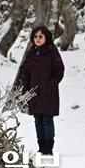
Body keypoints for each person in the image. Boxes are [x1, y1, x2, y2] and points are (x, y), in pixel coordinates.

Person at [20, 25, 65, 156]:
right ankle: (41, 146)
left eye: (40, 36)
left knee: (47, 119)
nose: (38, 39)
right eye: (35, 36)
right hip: (34, 92)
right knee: (37, 119)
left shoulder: (52, 52)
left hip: (49, 93)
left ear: (46, 37)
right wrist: (26, 91)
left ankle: (48, 147)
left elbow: (59, 70)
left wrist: (51, 85)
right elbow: (26, 74)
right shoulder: (31, 53)